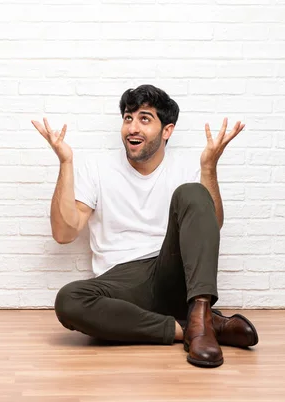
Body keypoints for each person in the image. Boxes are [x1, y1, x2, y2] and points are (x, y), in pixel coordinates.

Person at [31, 84, 258, 368]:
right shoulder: (97, 168)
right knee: (69, 300)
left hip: (169, 270)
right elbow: (64, 233)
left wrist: (209, 169)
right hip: (121, 280)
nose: (132, 128)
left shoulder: (187, 166)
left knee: (193, 191)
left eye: (144, 118)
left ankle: (200, 315)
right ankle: (196, 327)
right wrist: (65, 162)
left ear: (167, 130)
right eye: (128, 118)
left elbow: (212, 226)